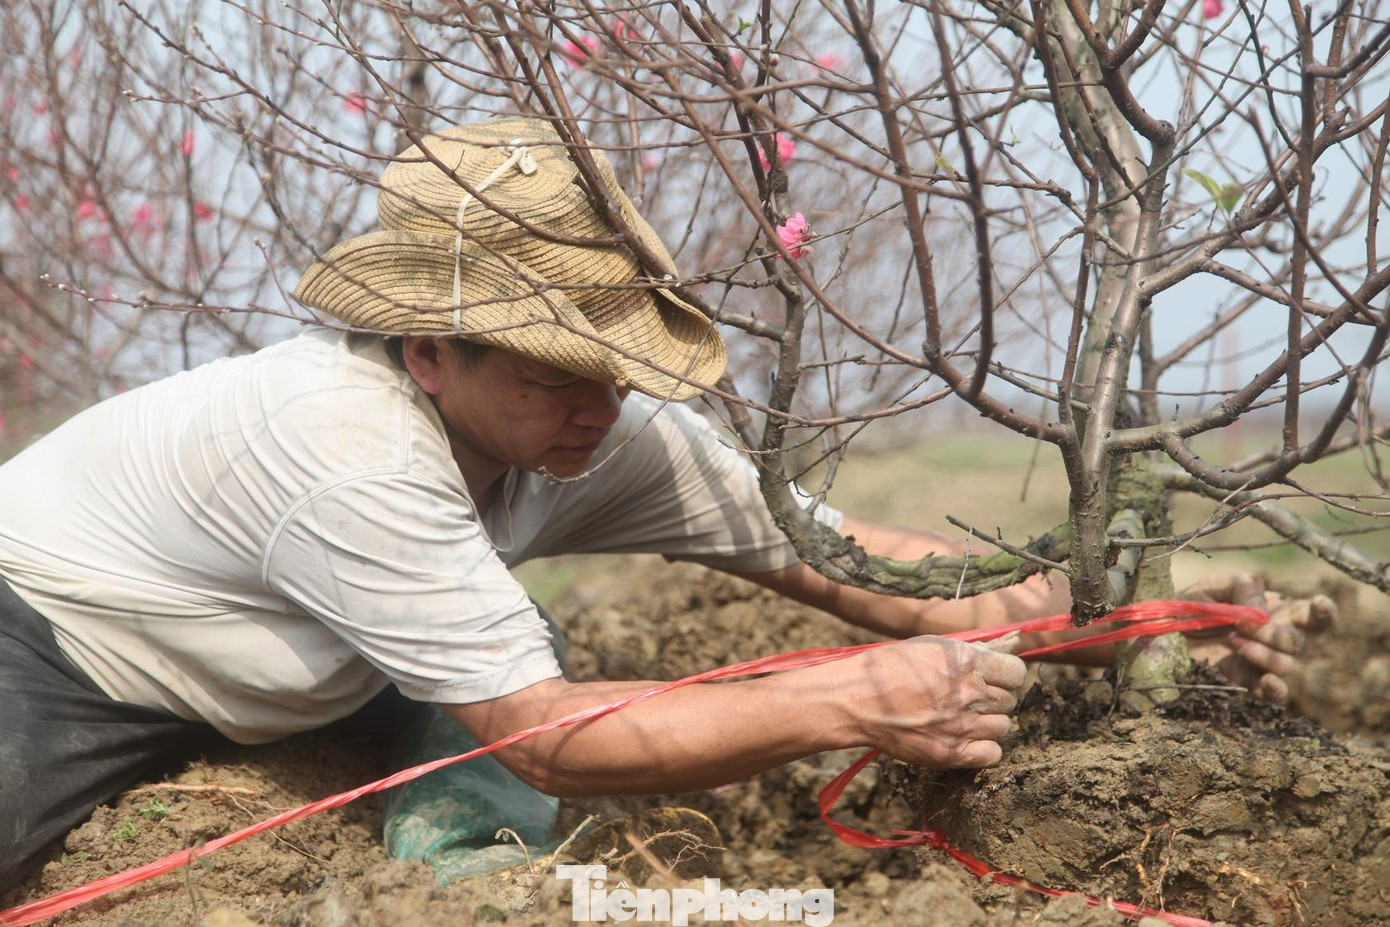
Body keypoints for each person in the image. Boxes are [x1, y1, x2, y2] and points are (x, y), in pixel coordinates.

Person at [0, 118, 1330, 889]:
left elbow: (863, 566)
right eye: (553, 371)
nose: (598, 406)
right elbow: (545, 737)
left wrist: (1144, 623)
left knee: (488, 759)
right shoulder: (341, 448)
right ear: (427, 353)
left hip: (332, 654)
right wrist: (855, 702)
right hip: (62, 643)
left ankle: (458, 862)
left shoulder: (601, 430)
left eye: (616, 368)